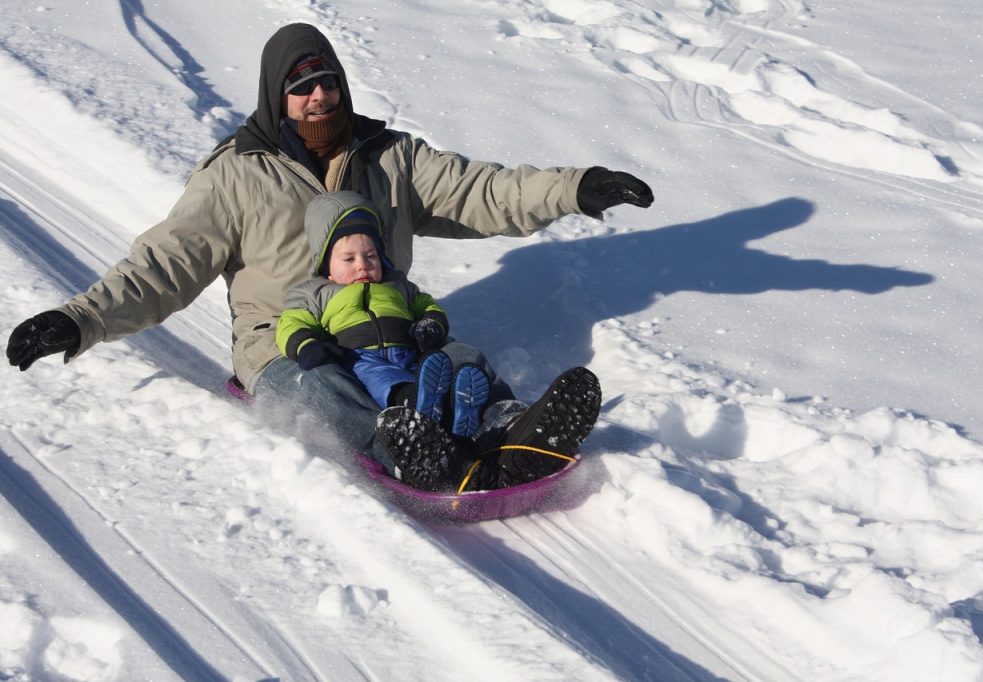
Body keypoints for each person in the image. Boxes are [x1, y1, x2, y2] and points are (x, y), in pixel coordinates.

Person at [5, 22, 652, 475]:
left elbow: (481, 190)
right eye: (302, 85)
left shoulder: (389, 156)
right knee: (322, 392)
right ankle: (408, 448)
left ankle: (510, 427)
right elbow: (166, 263)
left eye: (329, 82)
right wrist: (80, 318)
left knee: (456, 356)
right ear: (276, 97)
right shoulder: (236, 174)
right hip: (289, 343)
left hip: (386, 325)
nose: (319, 96)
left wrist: (576, 188)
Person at [278, 190, 492, 439]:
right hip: (360, 359)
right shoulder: (314, 293)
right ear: (327, 267)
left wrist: (431, 323)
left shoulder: (398, 285)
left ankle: (460, 413)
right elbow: (291, 323)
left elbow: (427, 306)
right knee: (384, 380)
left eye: (371, 256)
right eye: (348, 259)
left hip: (411, 354)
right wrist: (308, 345)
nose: (362, 265)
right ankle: (415, 409)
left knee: (441, 369)